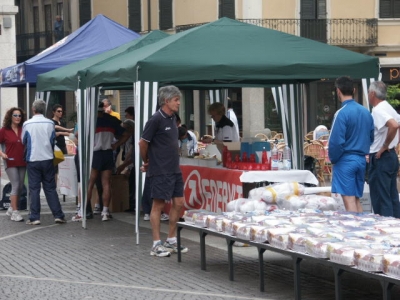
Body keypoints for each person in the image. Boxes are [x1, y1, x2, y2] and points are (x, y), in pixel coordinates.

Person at [139, 85, 188, 257]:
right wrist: (147, 161)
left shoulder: (173, 118)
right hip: (160, 169)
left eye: (178, 100)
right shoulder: (155, 120)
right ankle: (156, 244)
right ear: (166, 101)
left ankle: (171, 241)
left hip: (174, 169)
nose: (178, 103)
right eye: (176, 100)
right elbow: (142, 143)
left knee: (179, 202)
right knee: (158, 205)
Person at [328, 76, 374, 213]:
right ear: (354, 90)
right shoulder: (366, 112)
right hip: (361, 159)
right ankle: (363, 229)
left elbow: (335, 142)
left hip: (345, 160)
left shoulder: (341, 113)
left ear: (338, 91)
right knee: (356, 199)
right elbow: (371, 137)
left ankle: (354, 232)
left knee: (349, 202)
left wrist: (334, 159)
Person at [83, 102, 129, 222]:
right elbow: (125, 134)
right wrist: (116, 144)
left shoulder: (90, 120)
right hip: (108, 152)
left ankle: (84, 210)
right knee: (106, 183)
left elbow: (79, 135)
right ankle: (105, 212)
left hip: (95, 153)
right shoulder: (112, 120)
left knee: (90, 183)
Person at [22, 100, 66, 225]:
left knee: (34, 189)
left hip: (33, 159)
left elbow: (23, 140)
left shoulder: (27, 124)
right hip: (47, 158)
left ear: (33, 109)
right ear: (44, 110)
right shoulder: (49, 123)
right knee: (50, 188)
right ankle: (58, 215)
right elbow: (53, 139)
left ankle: (35, 217)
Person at [367, 81, 400, 218]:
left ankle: (385, 232)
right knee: (392, 196)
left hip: (381, 156)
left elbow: (394, 125)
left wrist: (385, 146)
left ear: (373, 94)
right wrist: (395, 145)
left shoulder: (378, 110)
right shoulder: (389, 107)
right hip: (390, 155)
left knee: (381, 198)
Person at [0, 107, 27, 222]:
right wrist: (2, 153)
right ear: (10, 117)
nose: (17, 118)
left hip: (22, 160)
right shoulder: (4, 130)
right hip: (10, 160)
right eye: (15, 115)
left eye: (19, 116)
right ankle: (15, 212)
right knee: (15, 184)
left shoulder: (23, 129)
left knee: (20, 185)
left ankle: (11, 207)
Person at [116, 119, 136, 212]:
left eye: (125, 129)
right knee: (131, 183)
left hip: (134, 165)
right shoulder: (129, 138)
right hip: (130, 164)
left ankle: (132, 204)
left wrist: (125, 166)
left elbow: (132, 154)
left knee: (132, 184)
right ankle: (131, 203)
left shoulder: (135, 138)